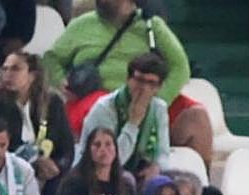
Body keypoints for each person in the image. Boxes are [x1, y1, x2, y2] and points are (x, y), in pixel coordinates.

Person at [43, 0, 212, 166]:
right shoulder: (81, 25)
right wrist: (60, 80)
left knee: (197, 118)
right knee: (97, 110)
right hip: (98, 99)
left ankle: (201, 189)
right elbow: (51, 58)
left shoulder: (152, 26)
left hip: (147, 94)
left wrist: (155, 101)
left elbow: (180, 67)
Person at [0, 51, 73, 195]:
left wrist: (58, 166)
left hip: (49, 173)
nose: (8, 74)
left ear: (32, 75)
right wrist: (34, 162)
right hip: (10, 171)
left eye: (15, 69)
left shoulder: (52, 103)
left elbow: (67, 147)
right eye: (5, 69)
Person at [75, 53, 170, 183]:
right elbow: (111, 160)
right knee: (127, 180)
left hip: (140, 168)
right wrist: (133, 123)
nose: (144, 88)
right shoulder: (105, 108)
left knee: (184, 181)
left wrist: (156, 167)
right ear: (128, 79)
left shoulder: (158, 108)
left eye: (151, 83)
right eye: (139, 80)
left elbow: (163, 152)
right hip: (96, 171)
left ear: (159, 87)